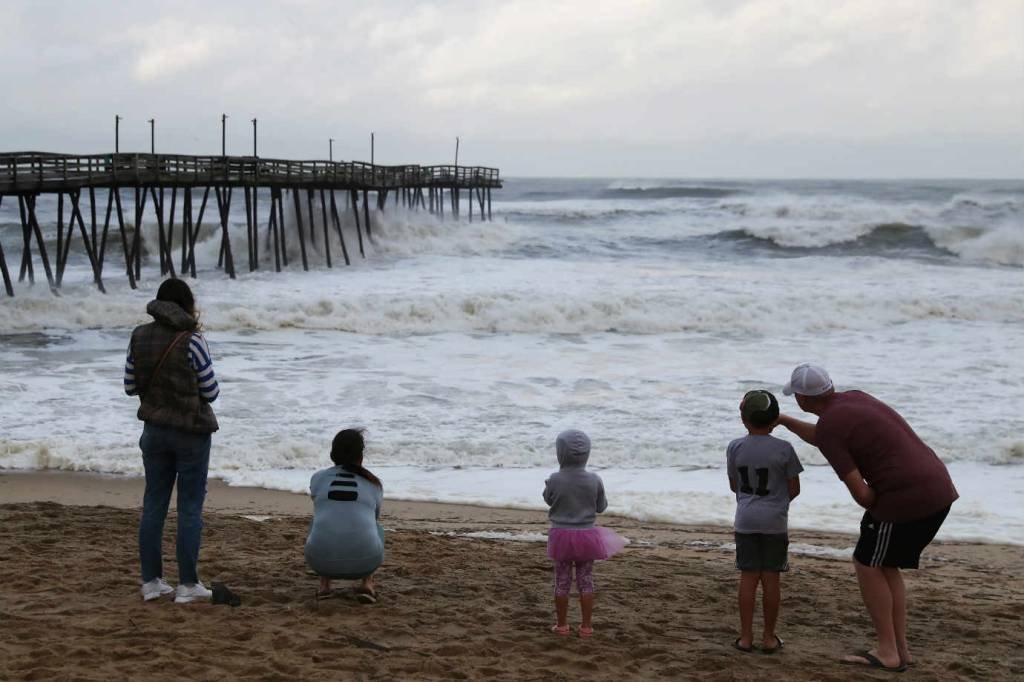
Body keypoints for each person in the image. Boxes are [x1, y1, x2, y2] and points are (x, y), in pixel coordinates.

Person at [776, 363, 958, 673]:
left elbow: (861, 494)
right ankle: (901, 649)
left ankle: (888, 651)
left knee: (866, 562)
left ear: (803, 399)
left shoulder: (832, 427)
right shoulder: (854, 399)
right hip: (938, 487)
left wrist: (880, 503)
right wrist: (783, 421)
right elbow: (824, 435)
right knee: (884, 564)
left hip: (908, 497)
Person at [125, 278, 220, 604]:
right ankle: (188, 585)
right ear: (187, 304)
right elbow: (211, 391)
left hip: (153, 430)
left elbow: (129, 384)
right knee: (189, 508)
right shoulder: (192, 339)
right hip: (191, 433)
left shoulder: (139, 336)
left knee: (154, 504)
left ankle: (151, 582)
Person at [726, 390, 802, 654]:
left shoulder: (735, 446)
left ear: (743, 419)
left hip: (745, 518)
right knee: (771, 579)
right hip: (774, 522)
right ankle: (769, 637)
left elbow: (734, 484)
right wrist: (778, 503)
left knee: (748, 578)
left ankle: (745, 637)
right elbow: (794, 488)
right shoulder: (784, 448)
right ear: (775, 420)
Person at [543, 429, 627, 638]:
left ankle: (562, 626)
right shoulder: (594, 479)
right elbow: (601, 507)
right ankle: (586, 627)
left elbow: (548, 499)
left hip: (561, 536)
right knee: (585, 580)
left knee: (561, 581)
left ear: (560, 453)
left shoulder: (554, 478)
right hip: (586, 537)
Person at [304, 428, 384, 604]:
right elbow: (374, 518)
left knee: (319, 520)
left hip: (319, 561)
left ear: (333, 454)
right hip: (367, 561)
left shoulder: (318, 478)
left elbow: (321, 505)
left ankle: (325, 585)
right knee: (375, 526)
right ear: (360, 456)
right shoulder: (374, 483)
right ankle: (367, 583)